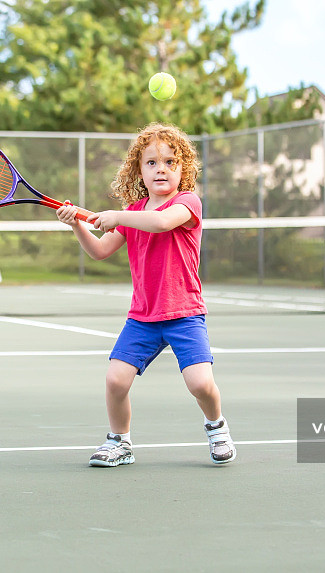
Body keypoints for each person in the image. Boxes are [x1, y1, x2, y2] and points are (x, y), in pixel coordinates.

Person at [56, 122, 236, 467]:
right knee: (115, 380)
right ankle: (119, 442)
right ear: (138, 170)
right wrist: (77, 223)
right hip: (143, 317)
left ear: (184, 170)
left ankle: (216, 426)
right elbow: (99, 251)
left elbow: (162, 222)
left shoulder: (187, 203)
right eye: (151, 163)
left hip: (184, 313)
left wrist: (114, 215)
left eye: (170, 162)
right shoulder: (133, 212)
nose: (161, 169)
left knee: (200, 384)